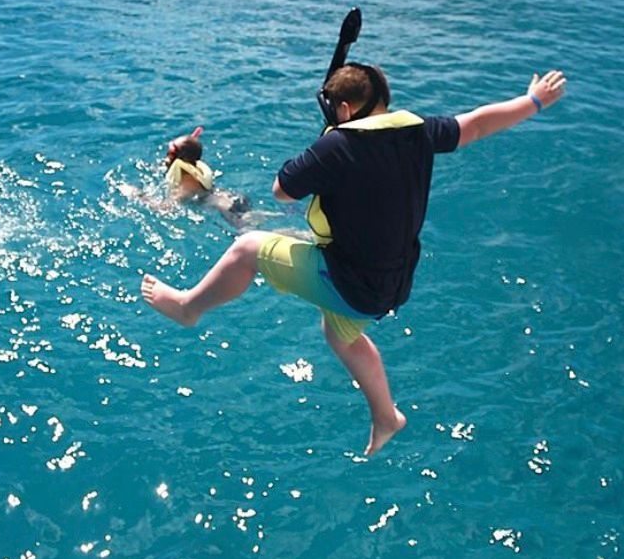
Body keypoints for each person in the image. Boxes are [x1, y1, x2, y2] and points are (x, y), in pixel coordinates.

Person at [141, 65, 567, 456]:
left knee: (247, 247)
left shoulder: (338, 146)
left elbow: (282, 191)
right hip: (392, 284)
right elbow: (476, 124)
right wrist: (533, 102)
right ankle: (386, 417)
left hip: (351, 282)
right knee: (340, 334)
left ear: (343, 110)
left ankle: (187, 307)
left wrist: (325, 144)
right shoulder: (415, 131)